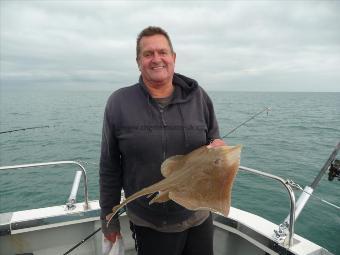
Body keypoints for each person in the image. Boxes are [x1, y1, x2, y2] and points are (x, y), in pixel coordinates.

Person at [99, 26, 225, 255]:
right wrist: (109, 220)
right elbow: (109, 167)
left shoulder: (199, 97)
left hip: (198, 214)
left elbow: (214, 141)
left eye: (163, 52)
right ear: (138, 61)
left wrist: (218, 149)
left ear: (173, 58)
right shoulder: (119, 103)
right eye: (148, 54)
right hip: (149, 221)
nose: (156, 59)